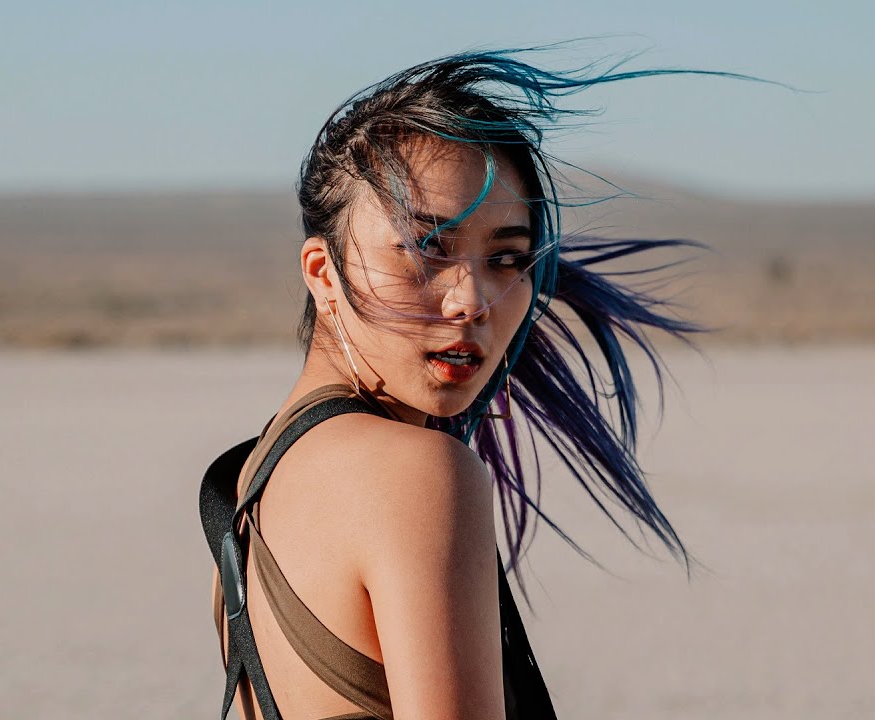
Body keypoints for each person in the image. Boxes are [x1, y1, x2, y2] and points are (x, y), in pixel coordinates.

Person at [202, 48, 746, 720]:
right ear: (323, 272)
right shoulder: (416, 474)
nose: (472, 301)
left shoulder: (249, 487)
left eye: (507, 258)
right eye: (428, 248)